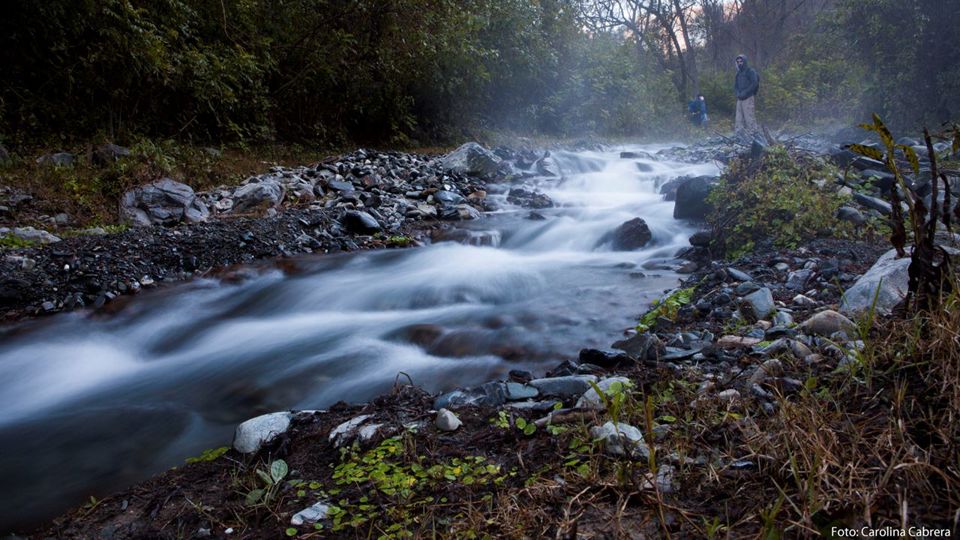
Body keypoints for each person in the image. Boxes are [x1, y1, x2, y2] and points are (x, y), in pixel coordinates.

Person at [734, 54, 760, 142]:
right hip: (740, 98)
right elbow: (735, 86)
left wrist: (745, 92)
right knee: (738, 118)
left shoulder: (750, 71)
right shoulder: (738, 73)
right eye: (738, 62)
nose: (739, 63)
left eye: (741, 61)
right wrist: (738, 93)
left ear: (744, 61)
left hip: (748, 97)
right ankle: (739, 134)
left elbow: (754, 83)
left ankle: (753, 134)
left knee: (749, 117)